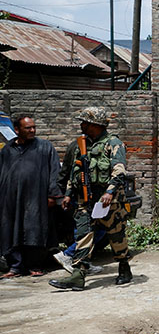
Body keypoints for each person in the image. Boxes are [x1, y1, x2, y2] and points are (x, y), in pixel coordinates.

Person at [49, 107, 133, 290]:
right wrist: (68, 194)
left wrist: (109, 192)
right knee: (83, 235)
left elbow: (119, 170)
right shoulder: (82, 144)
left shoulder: (113, 143)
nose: (81, 125)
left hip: (109, 199)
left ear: (95, 125)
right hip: (85, 199)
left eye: (84, 122)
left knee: (116, 235)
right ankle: (78, 275)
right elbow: (75, 172)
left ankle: (124, 267)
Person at [0, 115, 62, 277]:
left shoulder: (44, 147)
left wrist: (53, 195)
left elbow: (55, 172)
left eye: (33, 127)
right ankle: (15, 267)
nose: (32, 130)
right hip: (10, 200)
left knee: (35, 230)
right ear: (17, 130)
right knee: (10, 230)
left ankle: (35, 265)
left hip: (37, 198)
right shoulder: (7, 150)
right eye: (28, 128)